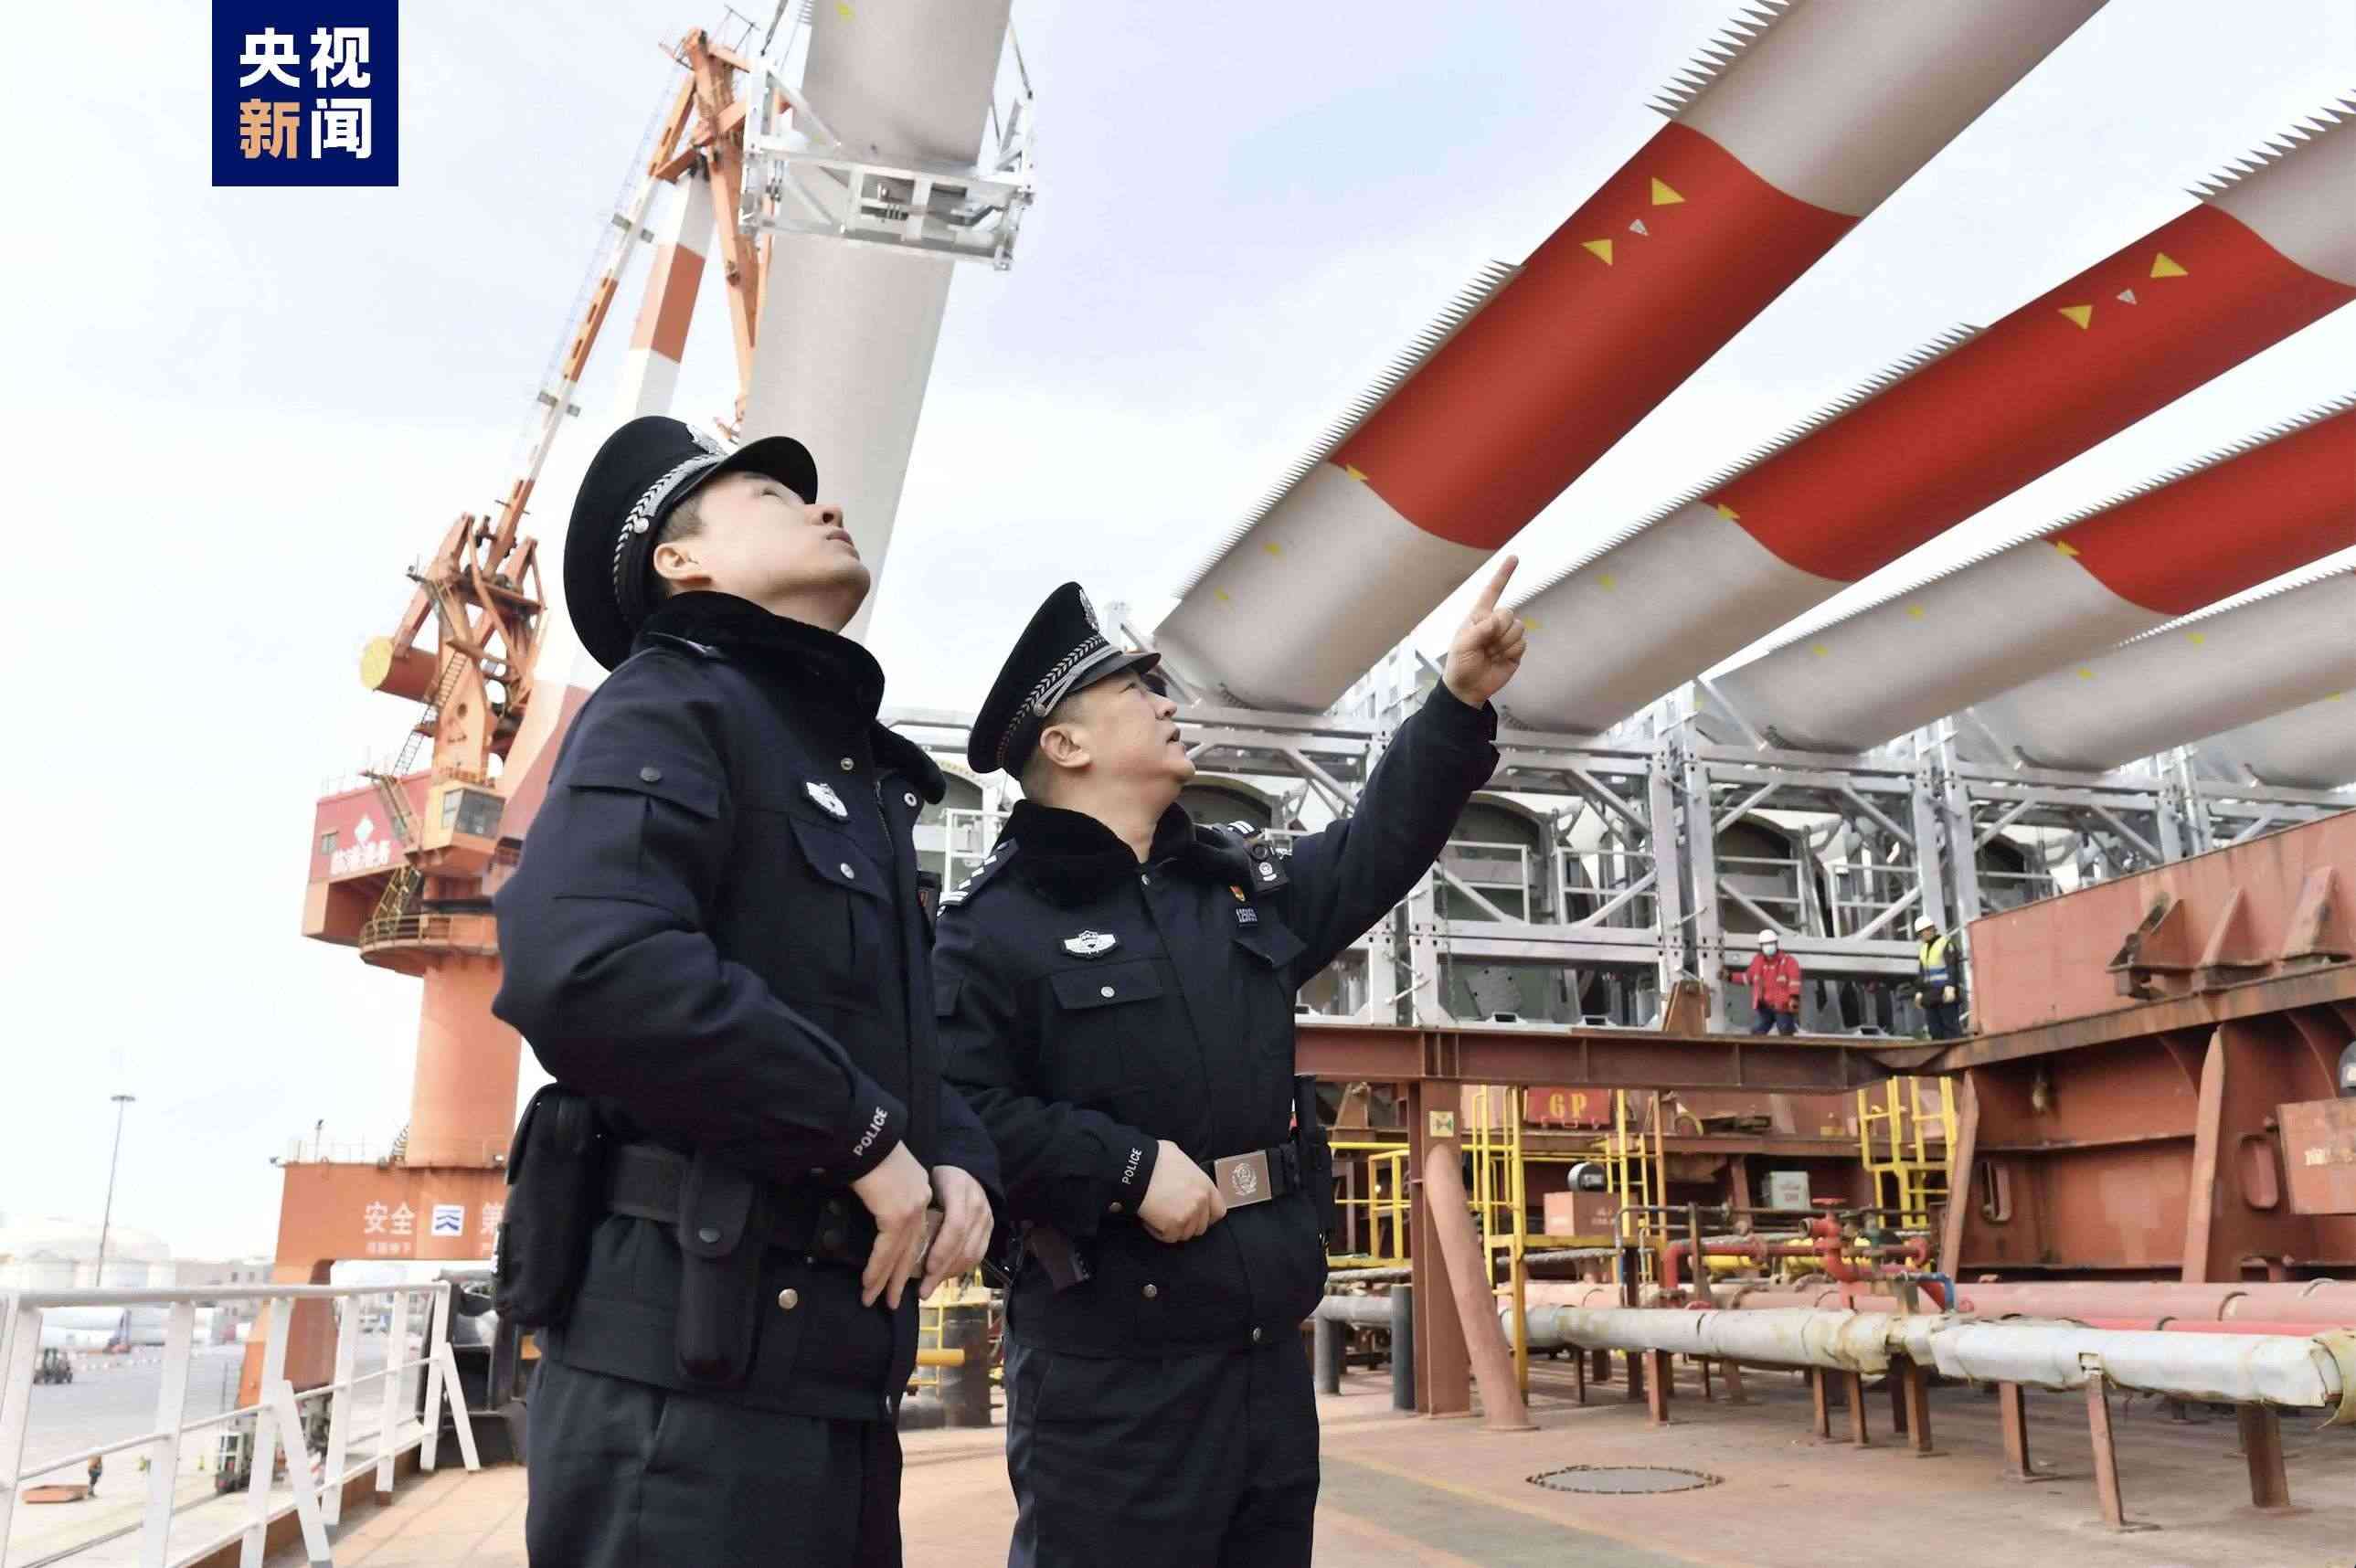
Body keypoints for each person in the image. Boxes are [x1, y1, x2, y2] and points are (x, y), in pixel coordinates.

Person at [935, 560, 1528, 1568]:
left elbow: (1377, 846)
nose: (1167, 703)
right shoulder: (995, 928)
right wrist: (1124, 1169)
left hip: (1261, 1356)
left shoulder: (1231, 889)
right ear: (1066, 744)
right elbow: (955, 1104)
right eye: (1136, 689)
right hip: (1111, 1380)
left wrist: (1457, 699)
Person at [492, 415, 1001, 1568]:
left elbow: (895, 1036)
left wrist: (961, 1160)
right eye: (773, 497)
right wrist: (859, 1135)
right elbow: (590, 961)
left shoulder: (848, 777)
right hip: (683, 1397)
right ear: (681, 561)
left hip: (832, 1382)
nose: (827, 507)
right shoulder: (670, 702)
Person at [1736, 929, 1802, 1035]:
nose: (1769, 946)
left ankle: (1790, 1041)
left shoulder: (1788, 961)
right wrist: (1729, 976)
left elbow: (1794, 980)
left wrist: (1794, 998)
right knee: (1757, 1032)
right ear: (1761, 946)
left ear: (1776, 944)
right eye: (1765, 944)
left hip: (1783, 1006)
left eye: (1771, 943)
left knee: (1785, 1030)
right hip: (1764, 1006)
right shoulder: (1757, 962)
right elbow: (1747, 978)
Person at [1916, 916, 1966, 1041]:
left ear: (1933, 929)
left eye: (1928, 929)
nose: (1926, 933)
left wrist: (1950, 987)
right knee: (1935, 1031)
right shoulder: (1923, 949)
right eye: (1923, 931)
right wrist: (1919, 992)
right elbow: (1922, 973)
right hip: (1930, 996)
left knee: (1951, 1028)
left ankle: (1956, 1050)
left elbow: (1952, 967)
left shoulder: (1945, 944)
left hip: (1944, 993)